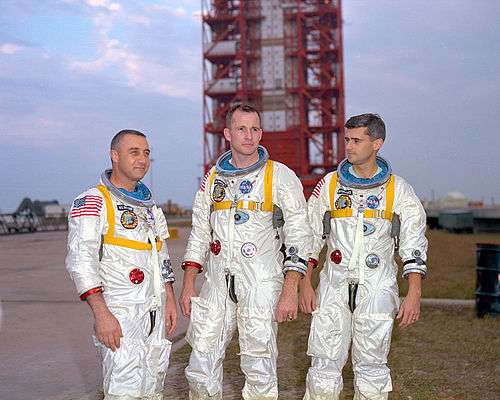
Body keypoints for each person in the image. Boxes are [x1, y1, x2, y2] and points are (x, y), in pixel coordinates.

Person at [179, 103, 312, 399]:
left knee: (259, 365)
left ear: (261, 133)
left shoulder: (279, 176)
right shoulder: (213, 179)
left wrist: (290, 290)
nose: (249, 136)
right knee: (201, 361)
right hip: (217, 283)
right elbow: (200, 231)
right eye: (241, 129)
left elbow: (299, 236)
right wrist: (189, 283)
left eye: (254, 129)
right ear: (228, 133)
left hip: (261, 282)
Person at [300, 113, 428, 400]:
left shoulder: (398, 190)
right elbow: (309, 237)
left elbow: (413, 243)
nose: (349, 146)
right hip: (333, 286)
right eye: (347, 139)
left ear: (377, 143)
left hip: (377, 287)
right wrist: (305, 283)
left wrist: (414, 292)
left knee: (372, 368)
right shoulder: (330, 185)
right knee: (323, 367)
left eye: (357, 140)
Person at [66, 129, 177, 400]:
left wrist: (169, 298)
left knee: (153, 385)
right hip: (119, 313)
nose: (142, 159)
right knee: (124, 388)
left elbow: (160, 254)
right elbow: (80, 262)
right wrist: (102, 314)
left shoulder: (150, 208)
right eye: (134, 152)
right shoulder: (94, 200)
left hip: (153, 310)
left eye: (147, 153)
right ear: (114, 156)